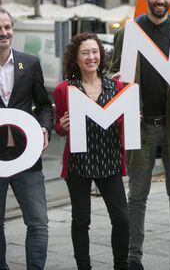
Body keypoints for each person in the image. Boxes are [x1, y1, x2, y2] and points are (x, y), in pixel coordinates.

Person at [110, 0, 170, 270]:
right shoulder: (129, 33)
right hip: (141, 125)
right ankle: (134, 257)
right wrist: (122, 95)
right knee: (137, 195)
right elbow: (113, 75)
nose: (160, 0)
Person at [54, 33, 129, 270]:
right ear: (75, 58)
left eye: (95, 52)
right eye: (85, 53)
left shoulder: (115, 86)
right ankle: (84, 266)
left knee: (122, 220)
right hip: (79, 163)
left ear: (101, 55)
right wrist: (61, 126)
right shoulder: (64, 90)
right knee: (81, 220)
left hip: (109, 159)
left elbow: (121, 122)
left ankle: (121, 265)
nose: (91, 57)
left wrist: (130, 119)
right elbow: (59, 127)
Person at [0, 8, 53, 269]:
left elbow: (45, 105)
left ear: (13, 29)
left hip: (27, 157)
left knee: (38, 222)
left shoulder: (29, 63)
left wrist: (44, 128)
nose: (3, 32)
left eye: (7, 27)